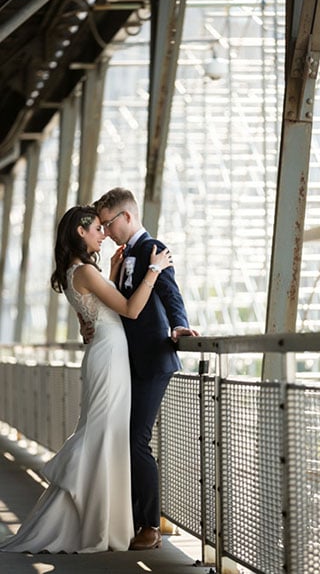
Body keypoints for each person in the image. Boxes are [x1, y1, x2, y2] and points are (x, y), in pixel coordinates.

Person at [0, 206, 171, 553]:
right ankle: (93, 517)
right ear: (80, 232)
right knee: (101, 433)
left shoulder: (76, 271)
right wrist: (154, 270)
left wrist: (109, 272)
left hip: (105, 355)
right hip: (109, 359)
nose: (102, 234)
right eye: (96, 228)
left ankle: (98, 518)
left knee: (103, 433)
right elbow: (131, 310)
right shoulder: (85, 272)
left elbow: (94, 308)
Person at [93, 187, 198, 551]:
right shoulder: (125, 255)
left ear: (126, 217)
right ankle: (140, 518)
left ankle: (150, 525)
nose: (104, 233)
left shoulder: (153, 248)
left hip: (153, 358)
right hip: (131, 360)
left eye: (107, 224)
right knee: (129, 438)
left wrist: (179, 325)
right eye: (100, 227)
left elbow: (171, 293)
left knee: (137, 438)